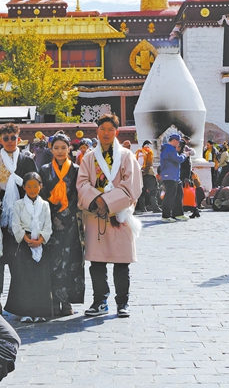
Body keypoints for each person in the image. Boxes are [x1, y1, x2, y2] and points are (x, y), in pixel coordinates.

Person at [76, 114, 141, 318]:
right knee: (97, 262)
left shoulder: (126, 156)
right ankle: (100, 301)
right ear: (97, 131)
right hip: (96, 215)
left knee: (122, 264)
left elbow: (132, 185)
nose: (106, 133)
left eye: (110, 129)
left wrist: (109, 202)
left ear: (116, 132)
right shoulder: (89, 157)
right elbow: (82, 183)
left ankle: (123, 302)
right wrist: (98, 201)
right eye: (102, 129)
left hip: (119, 215)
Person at [0, 123, 37, 313]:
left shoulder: (27, 160)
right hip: (0, 216)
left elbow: (35, 184)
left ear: (18, 138)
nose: (9, 141)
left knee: (21, 259)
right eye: (5, 138)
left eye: (12, 138)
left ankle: (22, 302)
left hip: (23, 214)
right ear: (0, 140)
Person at [38, 132, 85, 317]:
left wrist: (65, 214)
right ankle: (53, 300)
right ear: (51, 149)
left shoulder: (76, 169)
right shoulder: (44, 169)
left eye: (63, 148)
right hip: (50, 222)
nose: (59, 151)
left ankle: (67, 301)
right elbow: (41, 194)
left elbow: (78, 193)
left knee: (71, 261)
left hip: (71, 221)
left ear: (69, 149)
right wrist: (54, 216)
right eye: (56, 148)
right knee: (52, 262)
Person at [5, 172, 54, 322]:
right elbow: (16, 225)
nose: (32, 189)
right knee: (24, 278)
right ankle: (25, 311)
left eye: (35, 186)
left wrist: (40, 240)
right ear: (24, 187)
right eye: (29, 186)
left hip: (40, 242)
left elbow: (48, 226)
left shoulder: (45, 205)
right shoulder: (18, 204)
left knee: (41, 278)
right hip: (24, 244)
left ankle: (40, 311)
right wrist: (26, 239)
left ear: (41, 186)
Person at [159, 134, 190, 222]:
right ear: (174, 141)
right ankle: (165, 216)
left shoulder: (167, 148)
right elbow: (178, 160)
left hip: (173, 176)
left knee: (178, 194)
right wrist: (185, 155)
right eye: (178, 142)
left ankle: (179, 214)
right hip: (170, 175)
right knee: (170, 196)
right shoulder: (170, 149)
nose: (178, 144)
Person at [134, 140, 160, 214]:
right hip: (148, 173)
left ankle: (142, 208)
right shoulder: (149, 151)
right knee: (154, 190)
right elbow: (149, 162)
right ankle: (155, 207)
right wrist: (146, 171)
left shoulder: (138, 152)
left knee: (142, 191)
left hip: (139, 173)